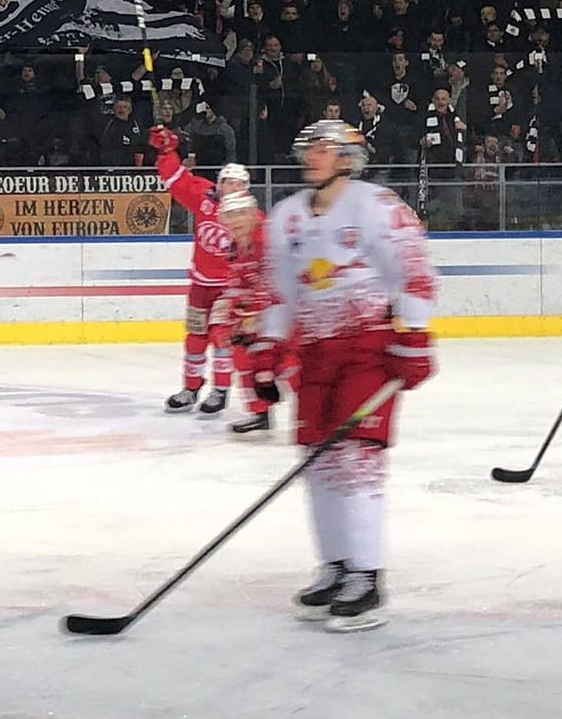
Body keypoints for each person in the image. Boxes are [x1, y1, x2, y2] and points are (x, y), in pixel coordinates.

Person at [257, 120, 437, 632]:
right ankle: (335, 565)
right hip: (314, 354)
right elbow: (279, 292)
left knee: (356, 459)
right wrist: (269, 350)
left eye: (322, 148)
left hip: (367, 350)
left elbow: (415, 272)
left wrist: (415, 336)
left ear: (346, 157)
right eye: (307, 147)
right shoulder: (286, 217)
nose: (310, 156)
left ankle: (367, 575)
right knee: (317, 462)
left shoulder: (377, 207)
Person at [148, 124, 250, 415]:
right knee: (195, 338)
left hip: (229, 288)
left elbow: (262, 247)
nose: (229, 187)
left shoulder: (250, 215)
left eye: (236, 183)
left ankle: (220, 390)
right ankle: (191, 388)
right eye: (226, 181)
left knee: (221, 338)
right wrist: (168, 151)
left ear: (244, 189)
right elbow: (176, 179)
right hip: (200, 284)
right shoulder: (205, 199)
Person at [210, 190, 294, 437]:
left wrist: (252, 317)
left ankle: (323, 413)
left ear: (251, 214)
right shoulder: (236, 245)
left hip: (286, 309)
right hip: (262, 311)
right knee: (241, 353)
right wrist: (228, 315)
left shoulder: (267, 240)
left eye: (238, 214)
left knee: (289, 363)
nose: (233, 221)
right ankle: (260, 413)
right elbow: (237, 282)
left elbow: (275, 283)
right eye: (228, 216)